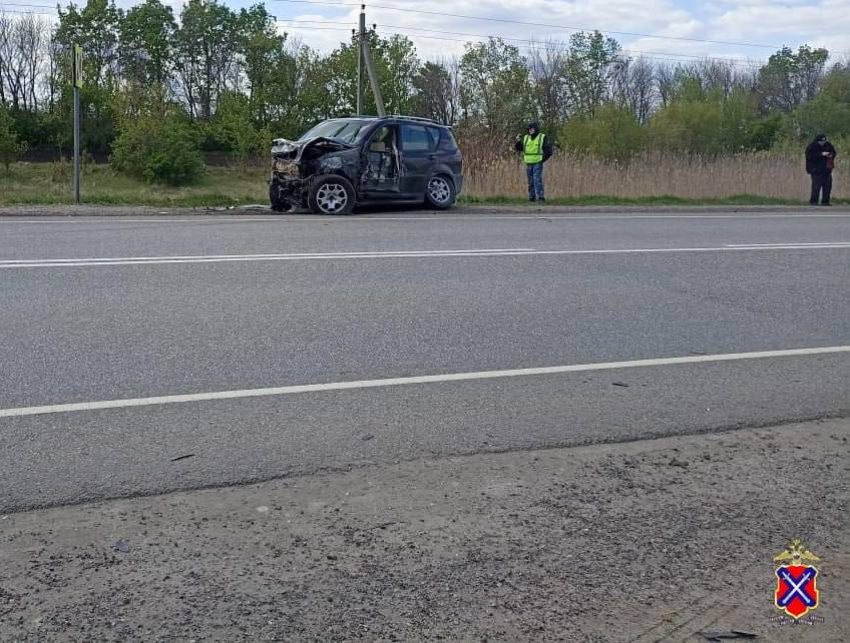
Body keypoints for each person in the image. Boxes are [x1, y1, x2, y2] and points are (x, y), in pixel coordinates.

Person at [515, 122, 553, 202]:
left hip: (537, 162)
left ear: (535, 129)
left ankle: (540, 197)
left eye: (531, 129)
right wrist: (518, 142)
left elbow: (549, 151)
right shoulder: (526, 138)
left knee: (537, 180)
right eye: (528, 129)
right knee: (530, 181)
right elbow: (521, 148)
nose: (529, 131)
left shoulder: (542, 137)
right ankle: (531, 198)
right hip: (528, 163)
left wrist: (542, 159)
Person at [805, 134, 837, 206]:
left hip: (826, 170)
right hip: (816, 171)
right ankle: (814, 201)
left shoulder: (828, 145)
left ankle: (825, 201)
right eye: (820, 142)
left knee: (827, 186)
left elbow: (834, 152)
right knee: (816, 187)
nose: (822, 143)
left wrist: (831, 154)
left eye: (824, 141)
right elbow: (810, 156)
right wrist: (821, 154)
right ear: (817, 141)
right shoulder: (812, 146)